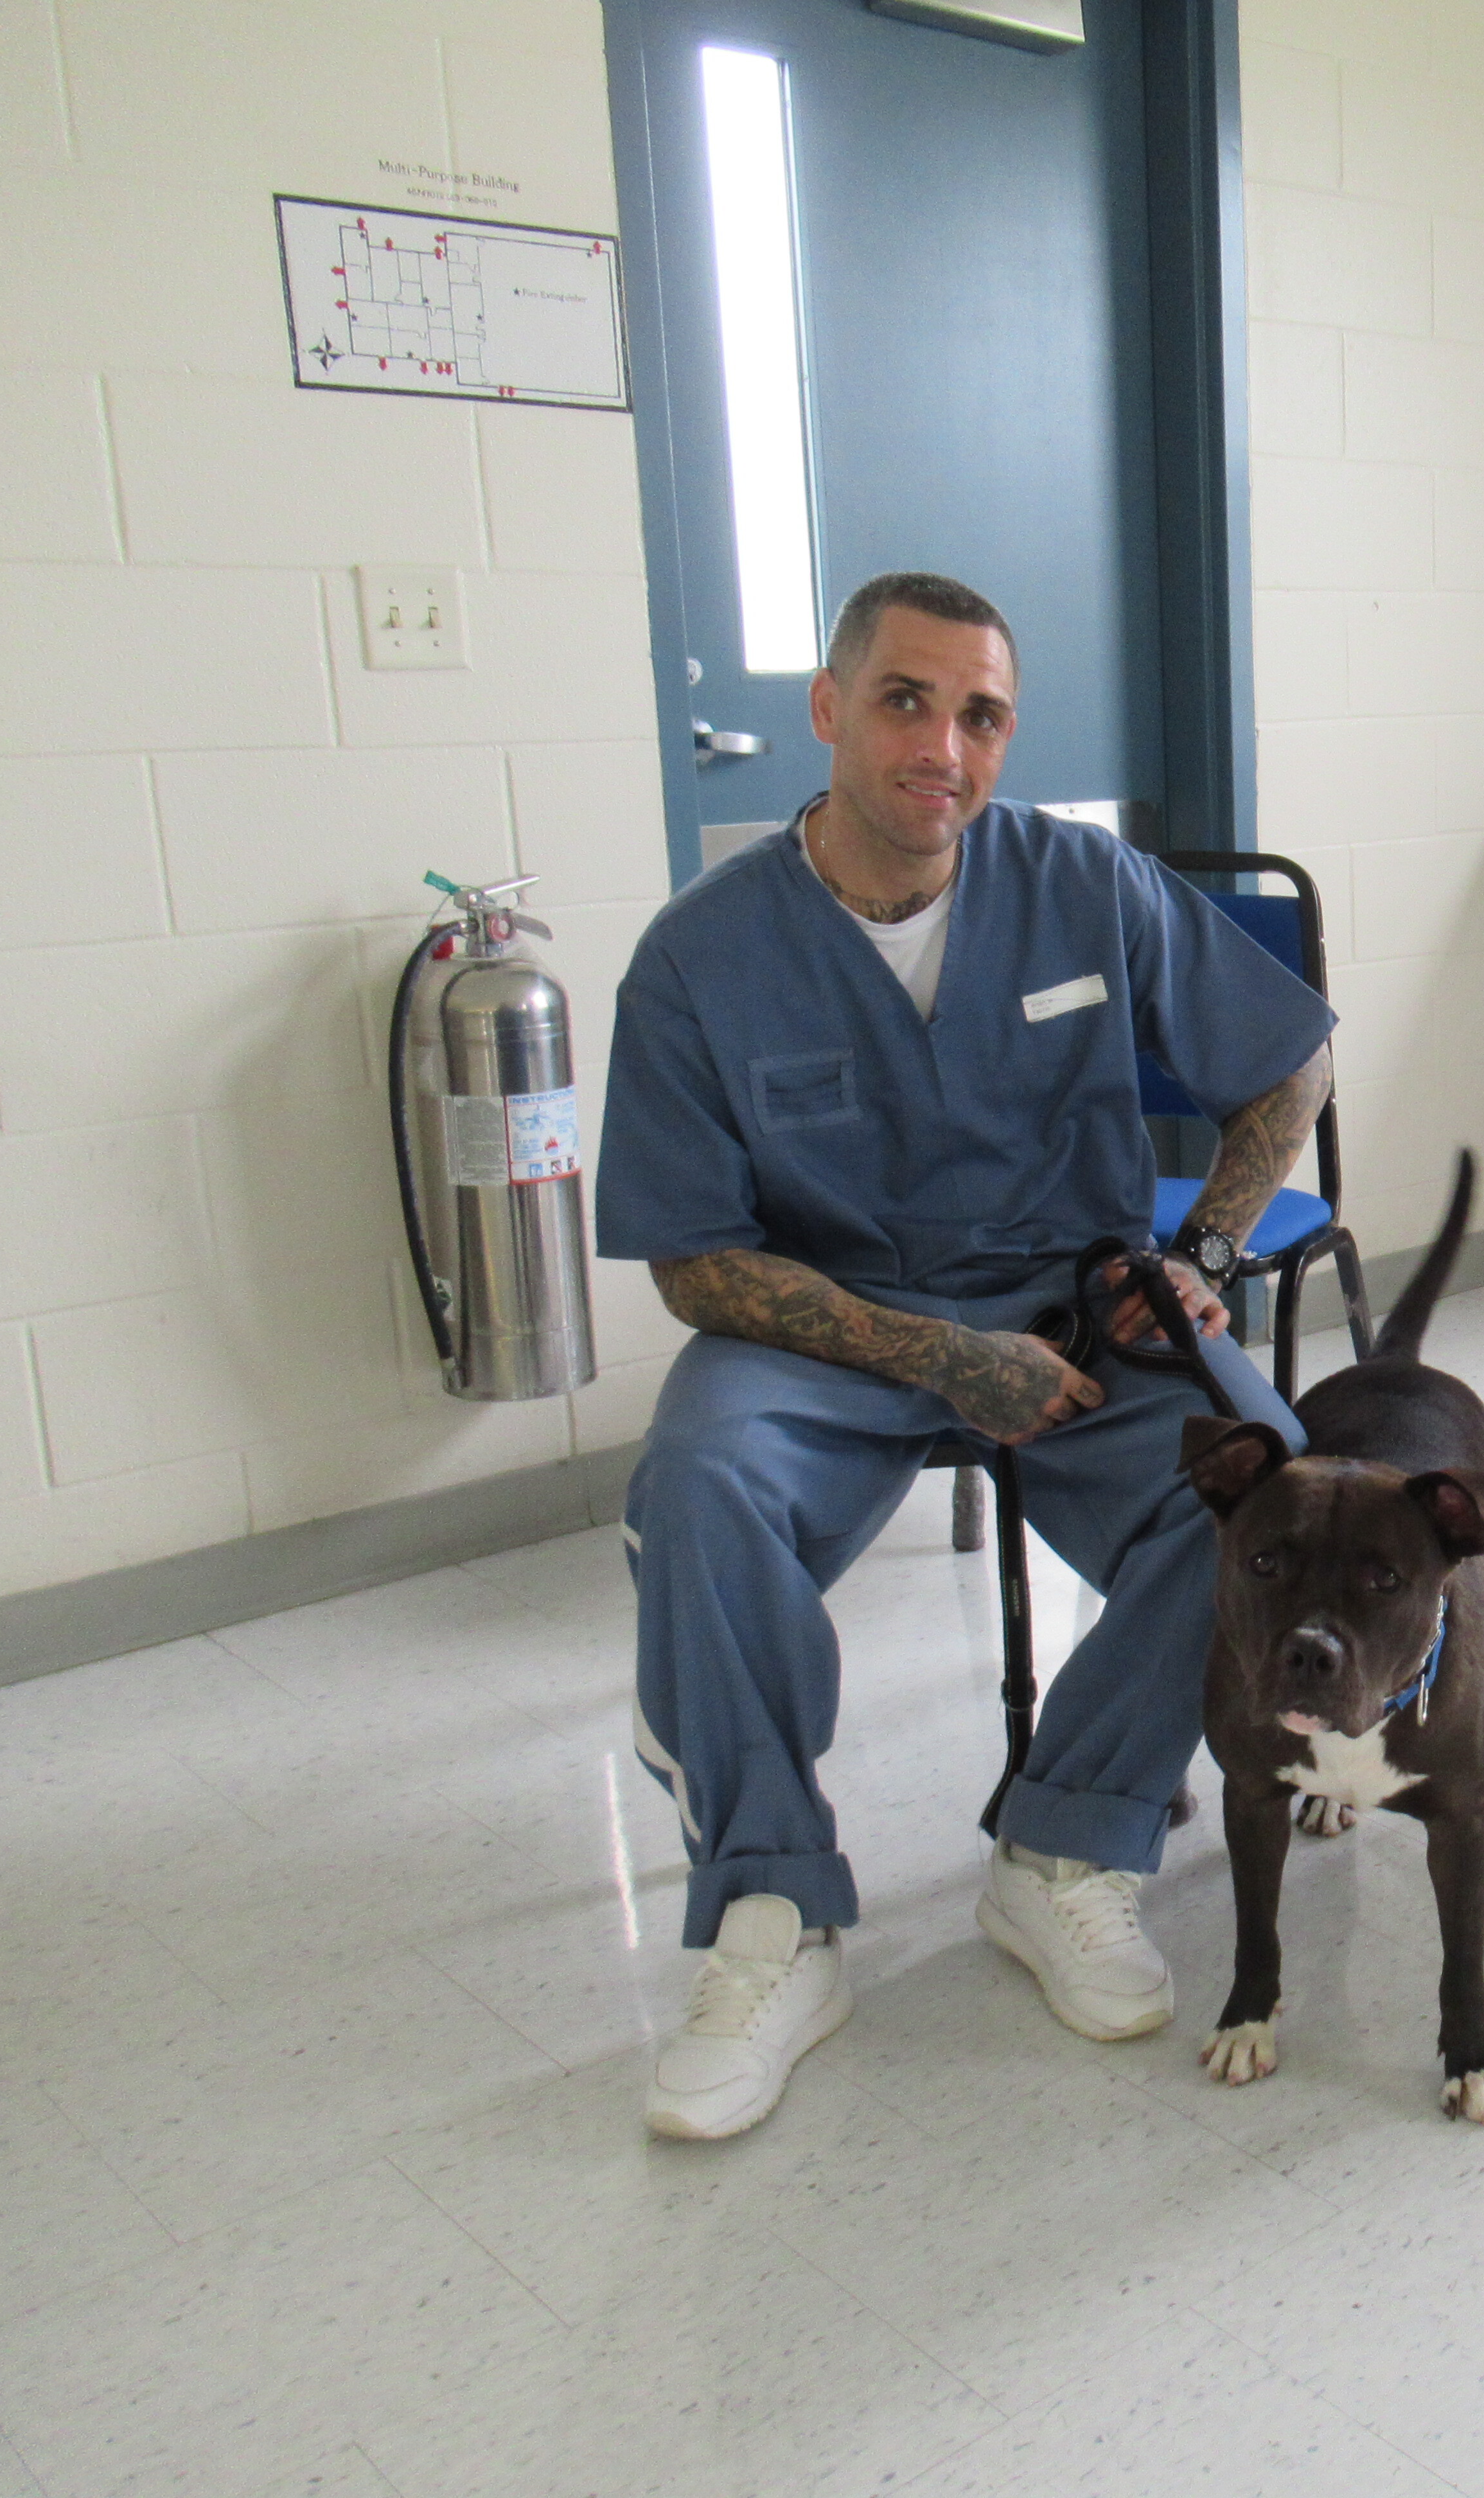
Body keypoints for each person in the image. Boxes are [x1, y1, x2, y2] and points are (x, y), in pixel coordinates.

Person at [597, 571, 1338, 2138]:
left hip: (1073, 1306)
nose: (945, 744)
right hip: (829, 1323)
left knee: (1260, 1487)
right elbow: (693, 1261)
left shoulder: (1083, 885)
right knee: (699, 1484)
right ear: (829, 708)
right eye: (905, 700)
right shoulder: (699, 957)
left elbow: (1291, 1060)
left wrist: (1202, 1253)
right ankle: (771, 1914)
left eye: (983, 713)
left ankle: (1068, 1846)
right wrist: (938, 1358)